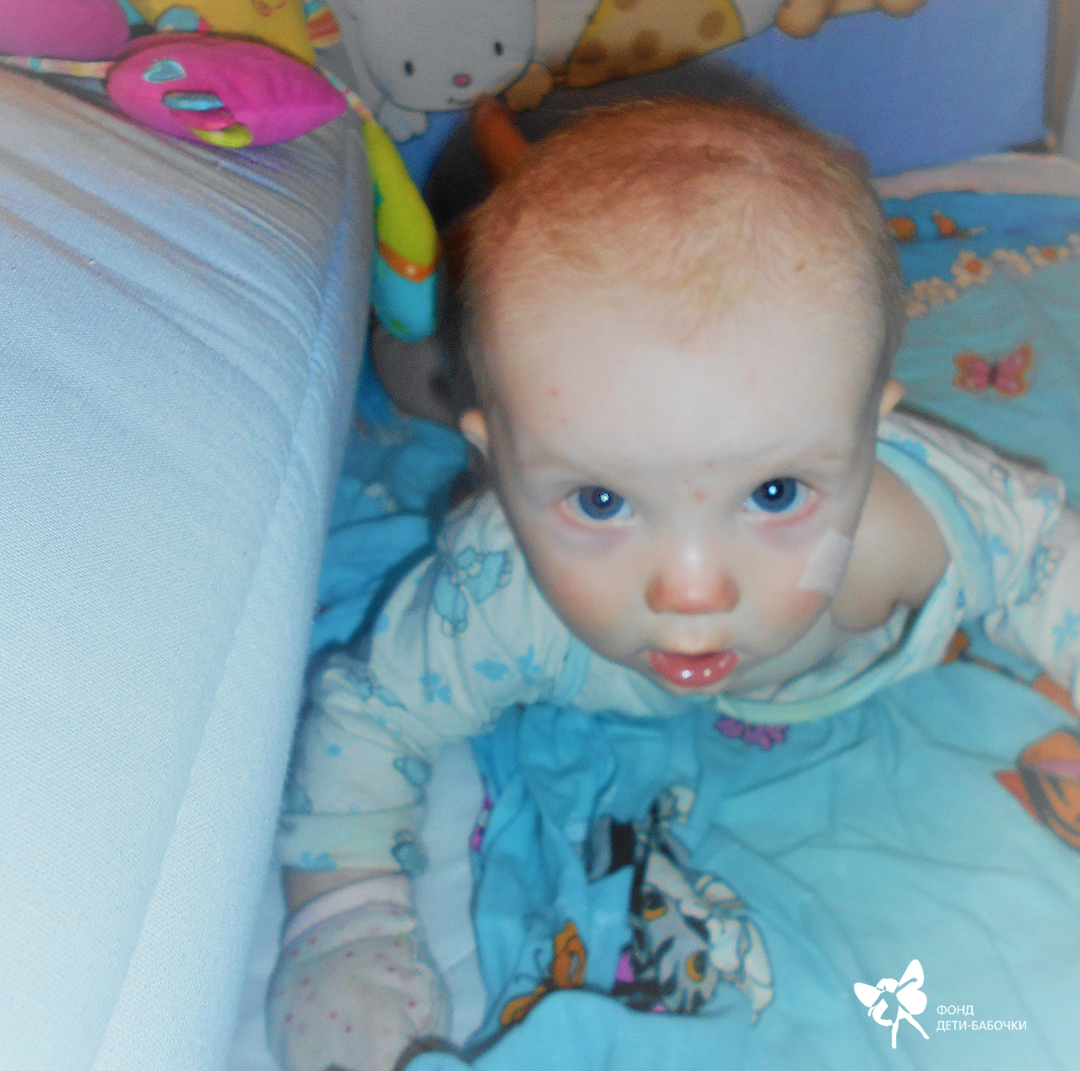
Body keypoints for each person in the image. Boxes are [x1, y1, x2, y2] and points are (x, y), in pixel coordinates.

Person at [266, 99, 1080, 1071]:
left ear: (871, 441)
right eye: (600, 501)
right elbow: (369, 721)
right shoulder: (498, 601)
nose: (692, 592)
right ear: (503, 469)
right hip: (477, 398)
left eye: (774, 493)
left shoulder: (905, 527)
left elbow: (1044, 555)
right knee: (417, 366)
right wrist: (346, 917)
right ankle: (491, 170)